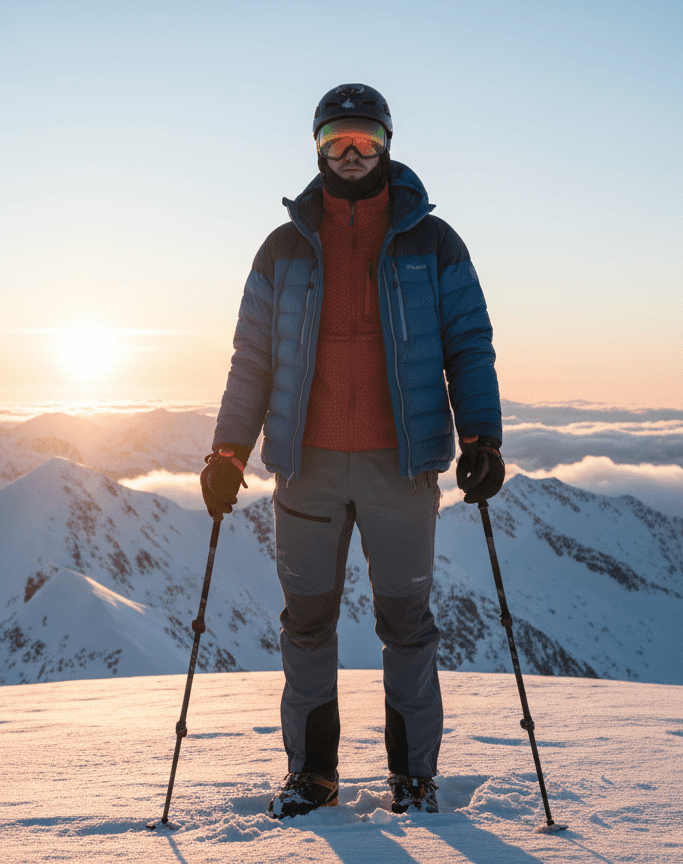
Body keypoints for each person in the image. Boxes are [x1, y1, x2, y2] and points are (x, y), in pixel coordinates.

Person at [200, 83, 504, 819]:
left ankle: (414, 779)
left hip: (401, 466)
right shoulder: (283, 249)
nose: (352, 152)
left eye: (365, 139)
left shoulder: (435, 242)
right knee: (306, 624)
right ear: (317, 147)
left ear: (388, 145)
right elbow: (252, 360)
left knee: (407, 625)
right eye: (337, 139)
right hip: (304, 466)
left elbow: (469, 346)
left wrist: (481, 437)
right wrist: (228, 451)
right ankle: (313, 776)